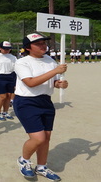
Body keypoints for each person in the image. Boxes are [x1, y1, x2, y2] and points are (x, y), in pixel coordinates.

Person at [13, 33, 68, 180]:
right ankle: (24, 160)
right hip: (26, 102)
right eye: (38, 44)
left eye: (44, 42)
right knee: (38, 138)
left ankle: (42, 166)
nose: (43, 45)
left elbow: (54, 81)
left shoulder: (50, 60)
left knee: (47, 138)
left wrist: (60, 84)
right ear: (28, 48)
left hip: (45, 101)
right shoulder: (22, 62)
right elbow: (30, 82)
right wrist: (55, 71)